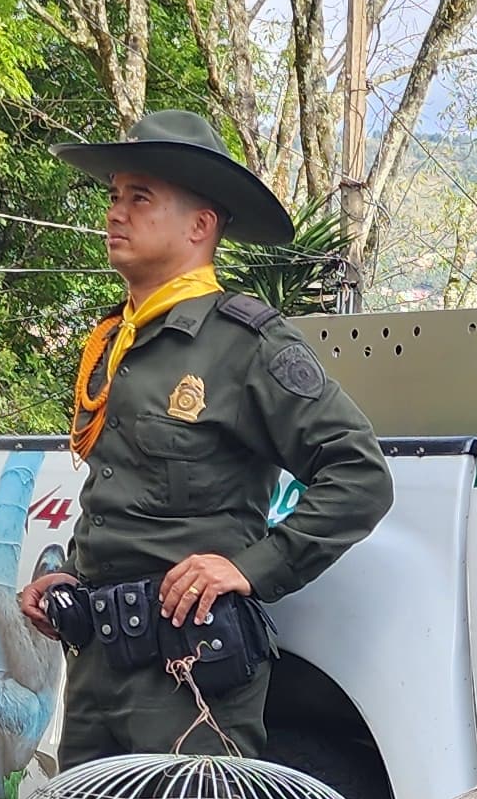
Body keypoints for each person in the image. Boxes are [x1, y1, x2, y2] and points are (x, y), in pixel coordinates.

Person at [24, 112, 391, 760]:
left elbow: (358, 475)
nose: (116, 213)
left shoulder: (243, 345)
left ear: (200, 225)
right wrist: (67, 581)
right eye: (114, 197)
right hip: (95, 673)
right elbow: (129, 501)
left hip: (189, 676)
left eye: (140, 198)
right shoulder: (115, 343)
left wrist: (250, 568)